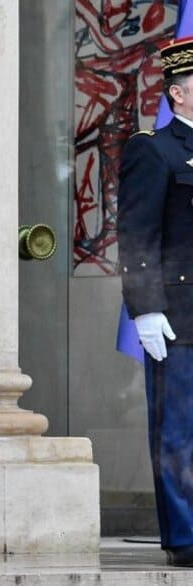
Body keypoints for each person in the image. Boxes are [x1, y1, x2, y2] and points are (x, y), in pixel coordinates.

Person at [117, 36, 193, 568]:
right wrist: (145, 308)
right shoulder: (155, 149)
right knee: (179, 430)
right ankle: (186, 535)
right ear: (178, 93)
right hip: (179, 316)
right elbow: (136, 234)